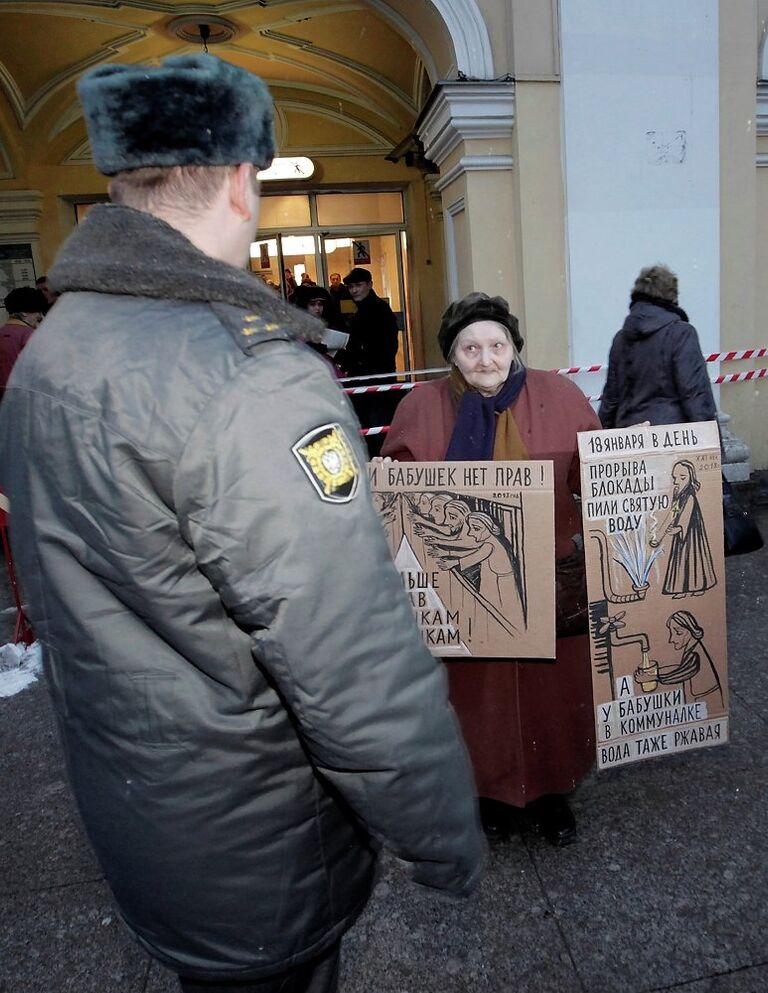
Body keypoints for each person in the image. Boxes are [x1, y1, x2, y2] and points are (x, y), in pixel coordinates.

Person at [0, 54, 483, 993]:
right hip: (260, 837)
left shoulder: (53, 348)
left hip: (144, 808)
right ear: (238, 179)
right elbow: (346, 647)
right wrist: (439, 823)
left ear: (120, 181)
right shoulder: (257, 377)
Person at [382, 292, 601, 847]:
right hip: (462, 586)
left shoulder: (561, 395)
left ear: (514, 347)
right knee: (479, 703)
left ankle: (554, 792)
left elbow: (593, 477)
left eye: (497, 345)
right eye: (471, 347)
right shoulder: (420, 406)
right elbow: (400, 494)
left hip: (550, 581)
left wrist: (640, 457)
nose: (486, 359)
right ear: (452, 356)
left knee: (552, 699)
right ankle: (487, 796)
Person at [599, 264, 717, 428]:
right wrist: (713, 443)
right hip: (674, 438)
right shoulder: (682, 334)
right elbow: (695, 394)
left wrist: (602, 438)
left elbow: (610, 400)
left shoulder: (621, 339)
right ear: (672, 296)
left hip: (628, 436)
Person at [649, 460, 716, 597]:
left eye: (682, 478)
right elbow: (672, 514)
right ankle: (681, 588)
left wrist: (679, 528)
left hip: (692, 534)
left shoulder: (689, 497)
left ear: (691, 478)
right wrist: (659, 536)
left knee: (693, 557)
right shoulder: (679, 497)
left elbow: (686, 515)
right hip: (681, 536)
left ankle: (698, 586)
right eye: (675, 478)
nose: (677, 481)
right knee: (680, 559)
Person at [634, 610, 723, 707]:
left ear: (690, 631)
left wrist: (653, 677)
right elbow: (680, 667)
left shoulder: (694, 654)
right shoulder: (693, 648)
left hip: (707, 702)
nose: (671, 639)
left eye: (678, 633)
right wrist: (654, 672)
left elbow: (681, 673)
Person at [340, 267, 399, 379]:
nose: (354, 290)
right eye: (351, 287)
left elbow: (386, 345)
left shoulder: (379, 309)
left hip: (376, 373)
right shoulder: (361, 309)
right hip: (366, 373)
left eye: (358, 285)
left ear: (369, 284)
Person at [0, 286, 46, 397]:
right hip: (23, 395)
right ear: (24, 312)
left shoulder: (2, 331)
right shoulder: (30, 335)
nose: (40, 316)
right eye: (37, 312)